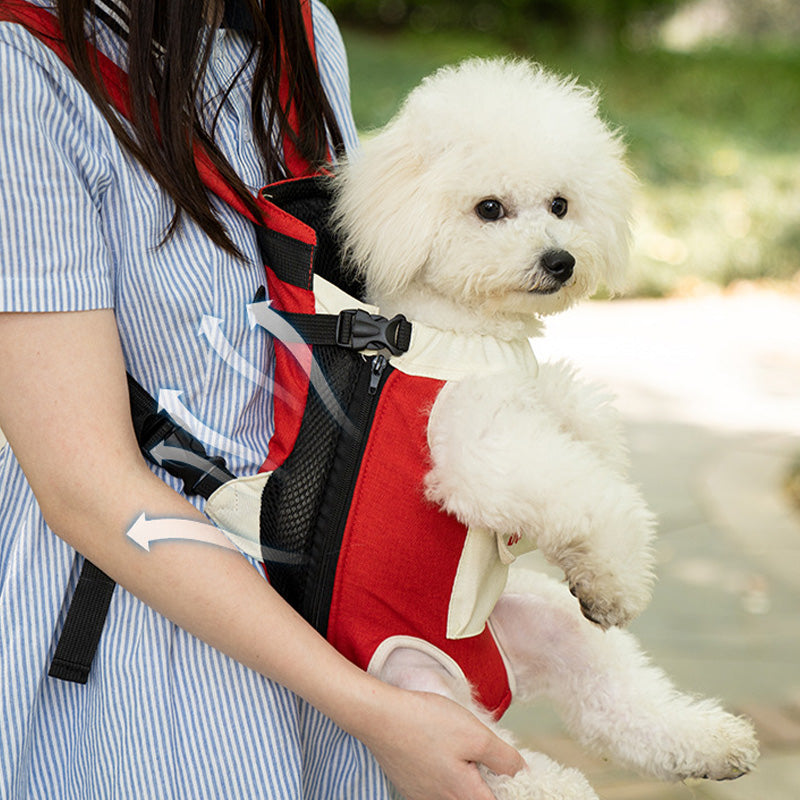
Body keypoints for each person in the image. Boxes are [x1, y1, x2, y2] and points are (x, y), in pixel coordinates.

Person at [0, 0, 524, 797]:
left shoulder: (300, 29)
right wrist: (370, 710)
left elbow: (352, 310)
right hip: (145, 614)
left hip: (328, 570)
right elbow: (84, 486)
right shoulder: (23, 65)